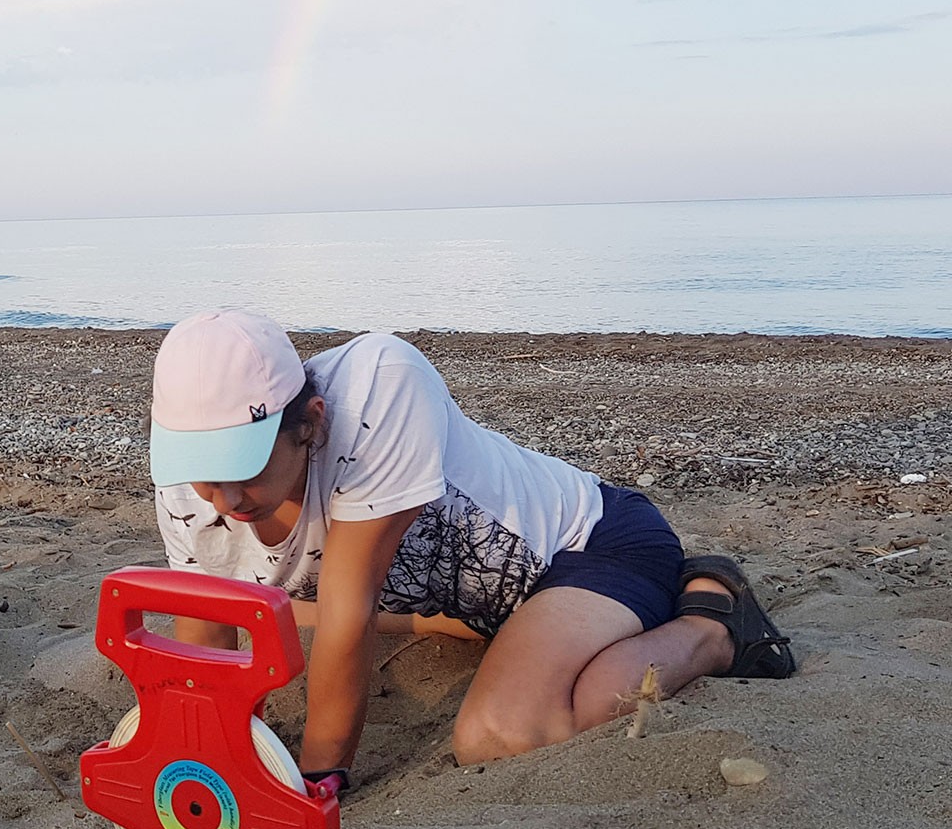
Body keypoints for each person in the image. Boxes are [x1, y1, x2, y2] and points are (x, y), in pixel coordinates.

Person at [148, 310, 794, 779]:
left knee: (500, 734)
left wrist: (316, 787)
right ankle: (512, 636)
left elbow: (349, 612)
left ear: (310, 425)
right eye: (208, 472)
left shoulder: (378, 387)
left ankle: (713, 623)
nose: (224, 501)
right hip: (476, 605)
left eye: (247, 467)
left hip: (590, 546)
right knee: (283, 614)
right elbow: (207, 629)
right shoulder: (187, 481)